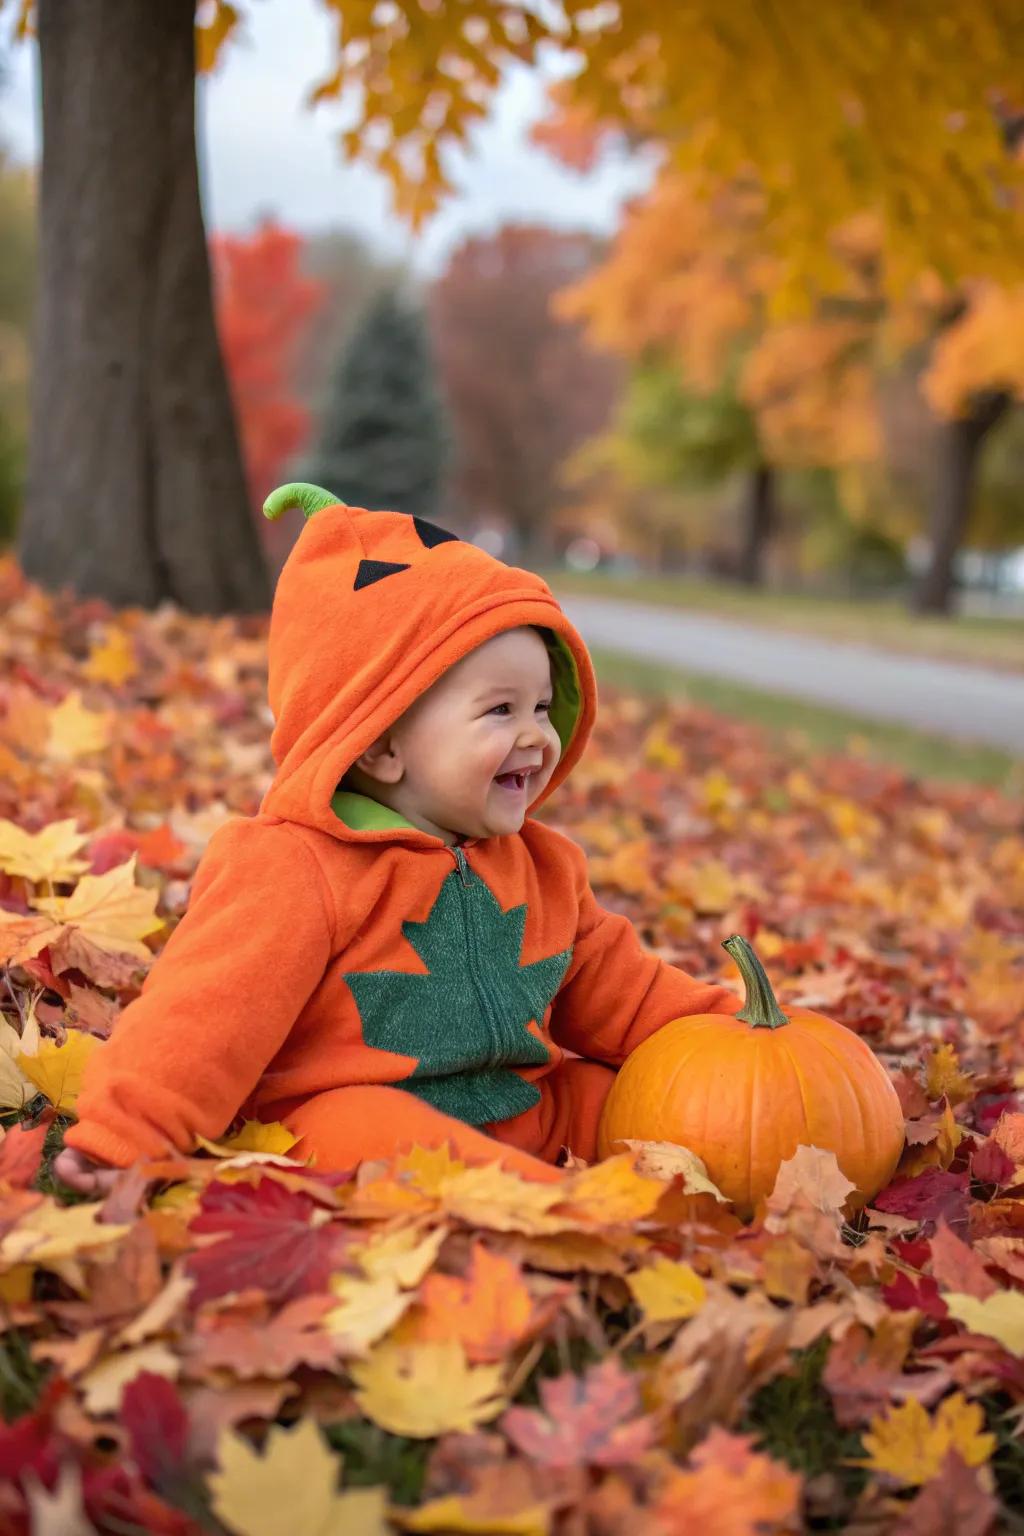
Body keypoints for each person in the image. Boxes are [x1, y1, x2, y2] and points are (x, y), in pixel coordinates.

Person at [55, 483, 738, 1195]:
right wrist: (124, 1137)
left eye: (541, 706)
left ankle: (684, 1191)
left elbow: (629, 997)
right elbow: (199, 1021)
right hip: (349, 1124)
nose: (537, 735)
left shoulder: (545, 868)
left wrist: (736, 1037)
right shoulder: (297, 867)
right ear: (379, 745)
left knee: (625, 1100)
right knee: (361, 1126)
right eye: (500, 710)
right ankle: (557, 1213)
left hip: (523, 1110)